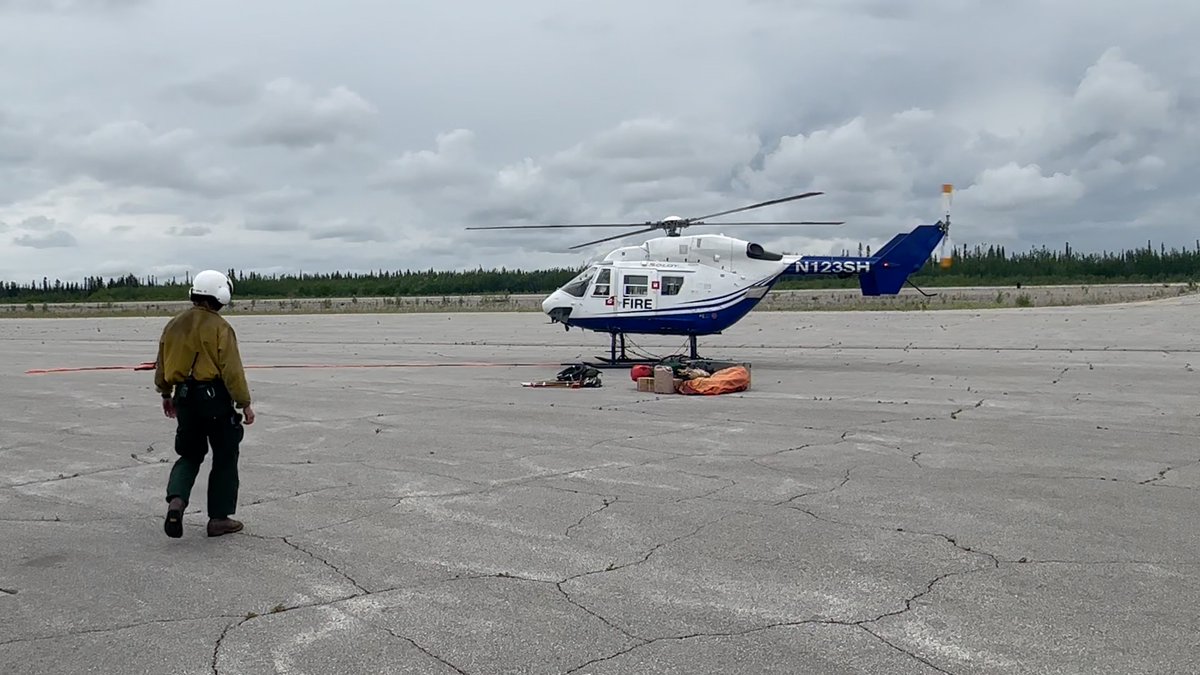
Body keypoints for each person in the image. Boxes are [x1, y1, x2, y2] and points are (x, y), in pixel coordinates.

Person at [154, 269, 255, 538]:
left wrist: (166, 394)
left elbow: (162, 364)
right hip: (214, 401)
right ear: (221, 295)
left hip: (184, 398)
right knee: (224, 455)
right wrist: (245, 403)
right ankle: (218, 518)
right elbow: (232, 371)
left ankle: (176, 502)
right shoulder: (221, 327)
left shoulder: (173, 324)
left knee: (188, 455)